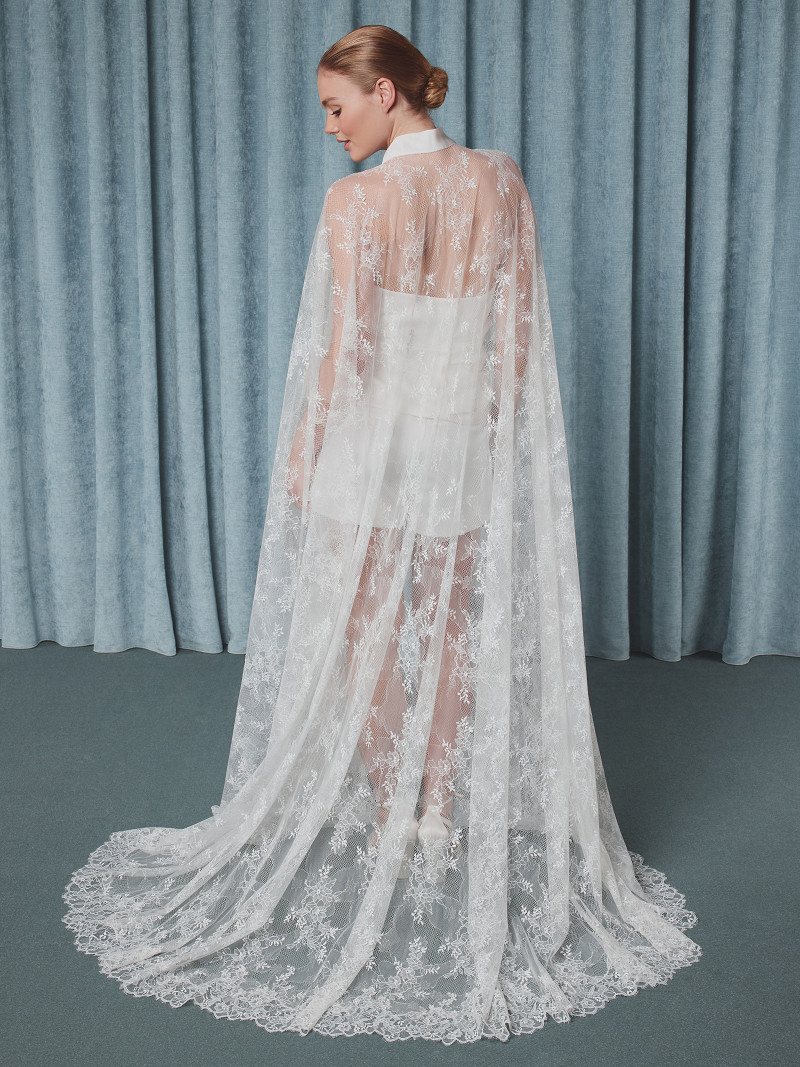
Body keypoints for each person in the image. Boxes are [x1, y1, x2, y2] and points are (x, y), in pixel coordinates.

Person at [63, 24, 701, 1044]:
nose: (329, 126)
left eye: (336, 105)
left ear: (388, 92)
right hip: (458, 437)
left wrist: (306, 451)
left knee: (365, 624)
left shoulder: (358, 202)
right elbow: (513, 338)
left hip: (372, 436)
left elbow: (347, 349)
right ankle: (440, 812)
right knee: (447, 622)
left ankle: (396, 812)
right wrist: (485, 436)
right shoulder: (498, 181)